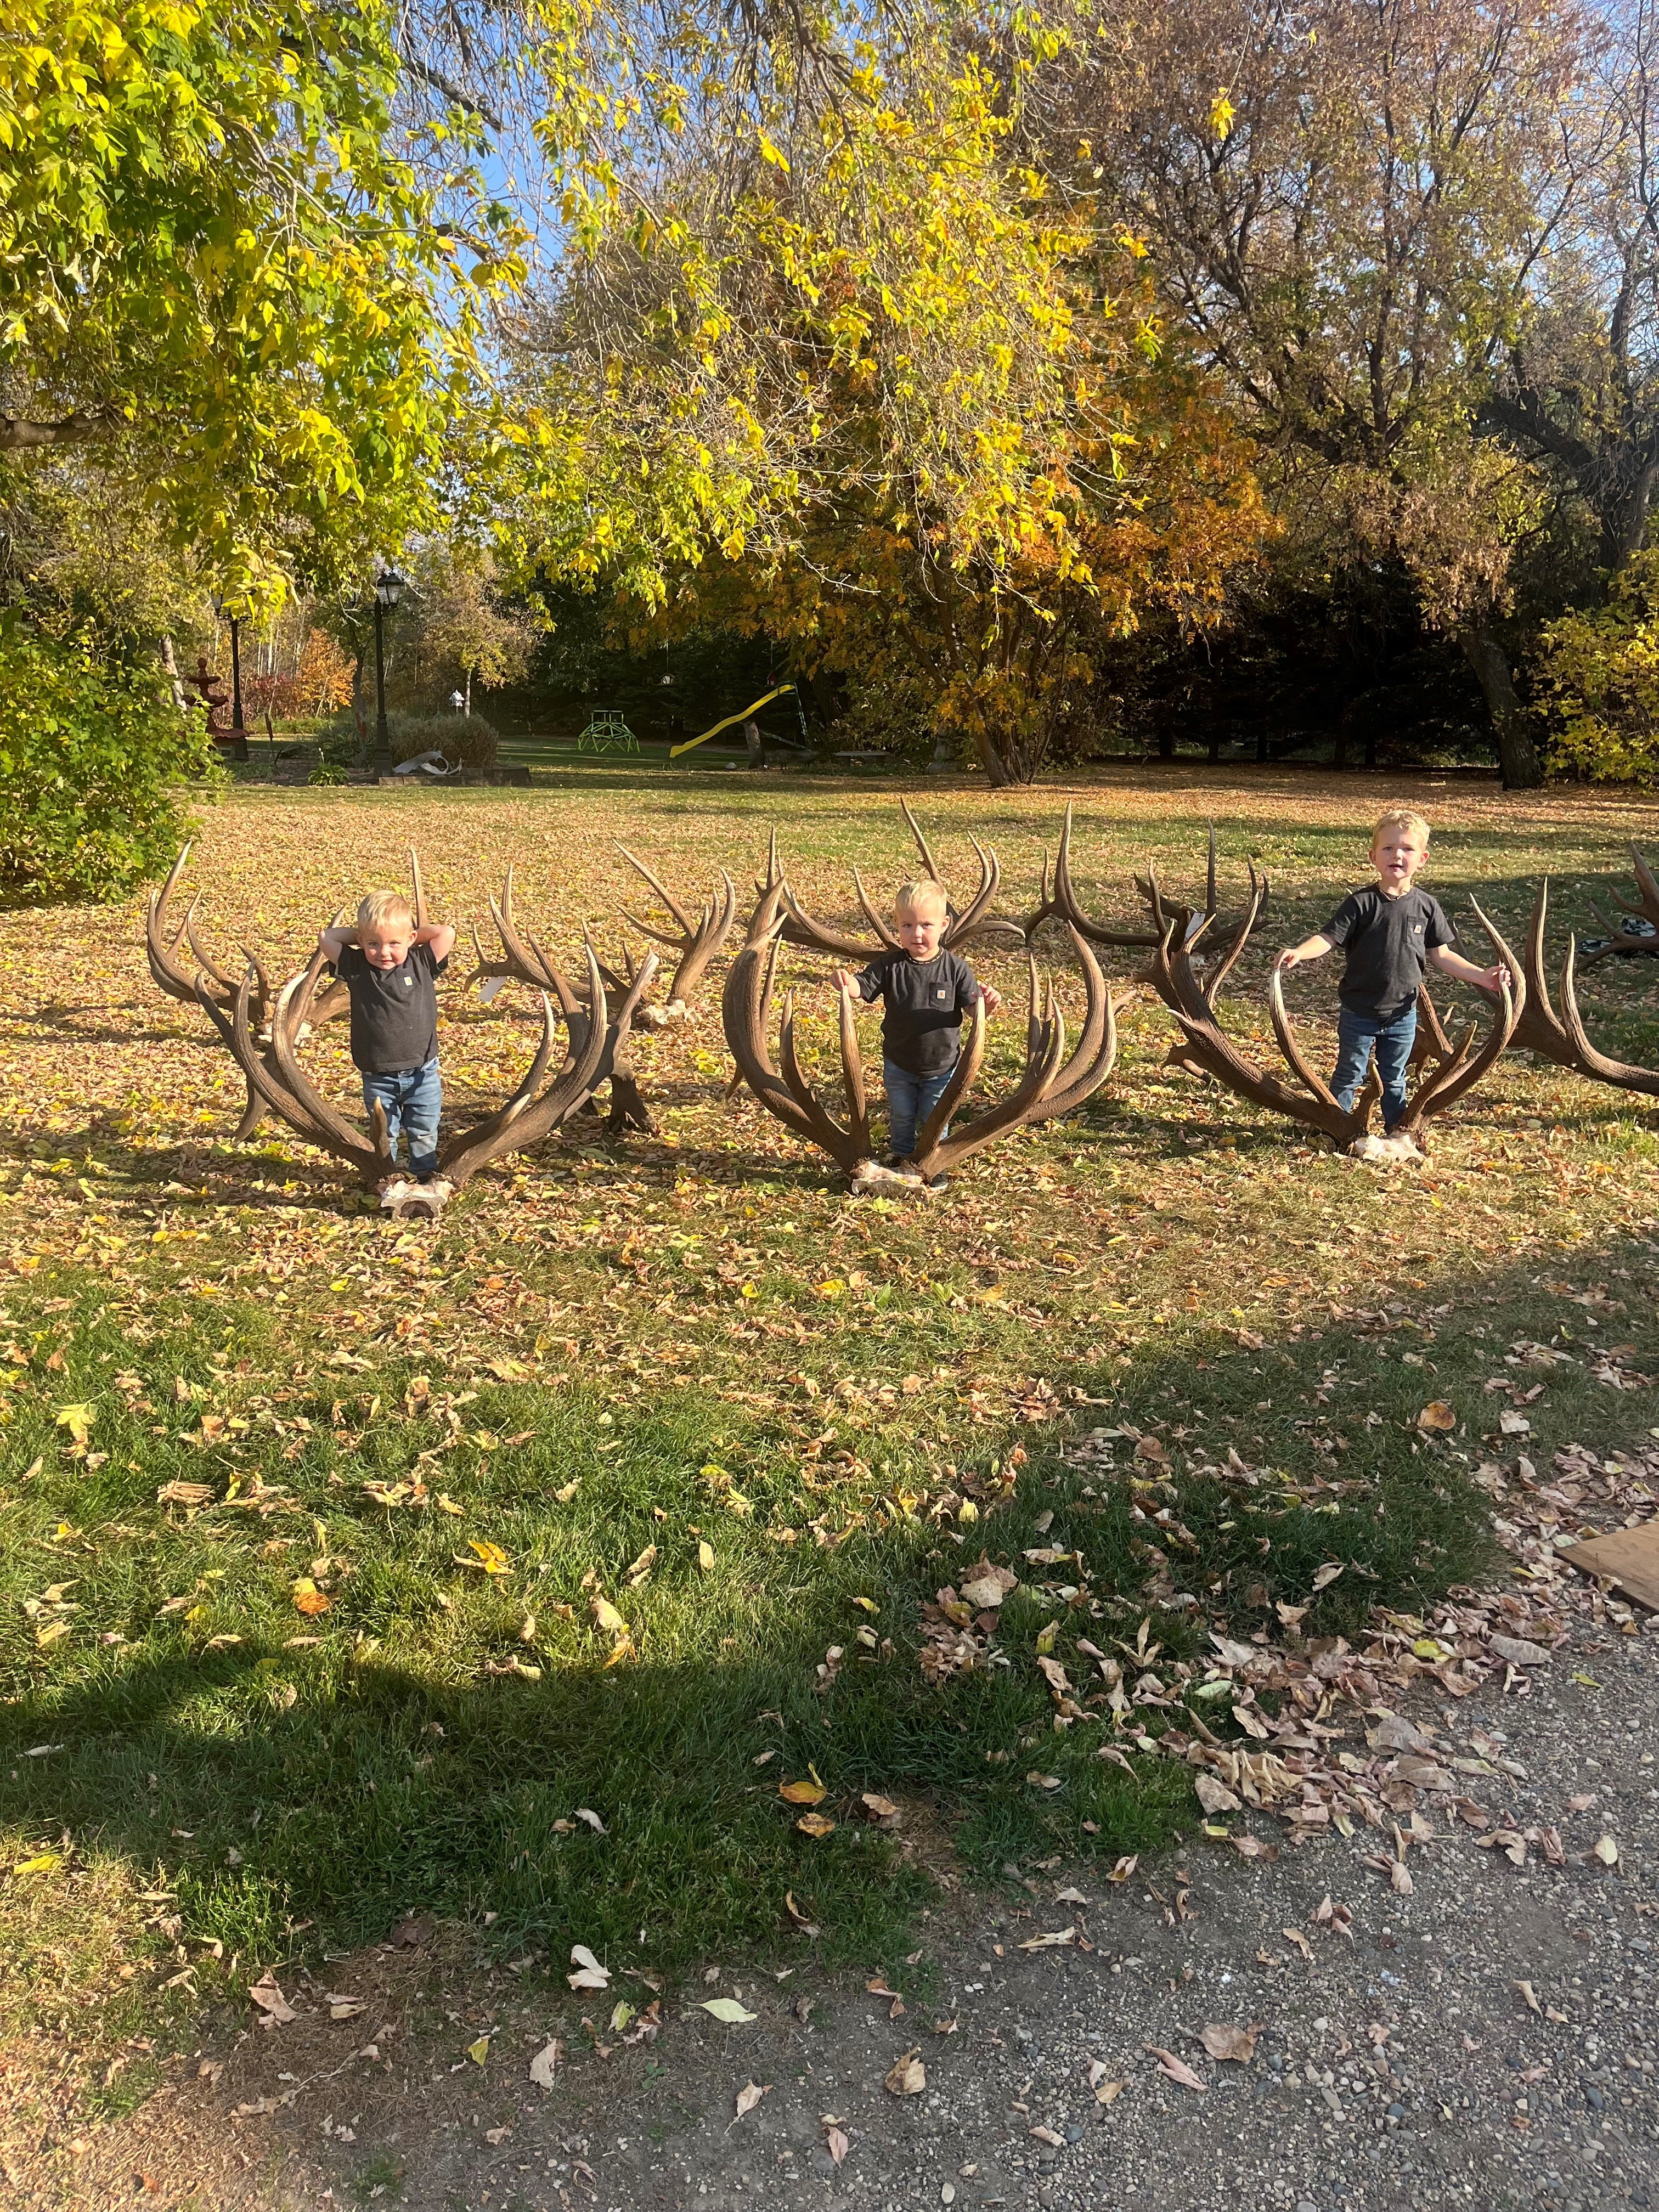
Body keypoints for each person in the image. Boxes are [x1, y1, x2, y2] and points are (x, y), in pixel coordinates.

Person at [1274, 807, 1508, 1142]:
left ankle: (1399, 1130)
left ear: (1423, 858)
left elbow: (1442, 955)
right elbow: (1328, 938)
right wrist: (1301, 951)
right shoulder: (1361, 904)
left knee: (1395, 1076)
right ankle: (1333, 1128)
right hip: (1359, 1012)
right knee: (1349, 1074)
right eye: (1388, 848)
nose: (1397, 855)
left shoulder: (1427, 907)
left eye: (1407, 849)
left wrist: (1483, 977)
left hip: (1403, 1015)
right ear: (1374, 856)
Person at [832, 879, 1002, 1183]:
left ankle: (933, 1162)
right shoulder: (889, 966)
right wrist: (848, 983)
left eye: (926, 924)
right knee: (901, 1116)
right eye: (908, 926)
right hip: (899, 1065)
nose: (917, 934)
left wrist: (986, 1005)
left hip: (942, 1067)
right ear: (897, 926)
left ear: (944, 924)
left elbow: (973, 1009)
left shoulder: (955, 969)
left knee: (936, 1119)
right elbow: (863, 985)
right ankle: (901, 1156)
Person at [318, 892, 456, 1184]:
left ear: (412, 939)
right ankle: (388, 1178)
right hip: (379, 1075)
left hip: (423, 1072)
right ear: (360, 942)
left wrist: (407, 939)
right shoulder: (358, 968)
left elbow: (447, 933)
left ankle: (424, 1176)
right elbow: (327, 937)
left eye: (394, 944)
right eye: (373, 944)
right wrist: (364, 936)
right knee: (385, 1132)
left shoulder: (421, 962)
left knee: (424, 1129)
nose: (384, 953)